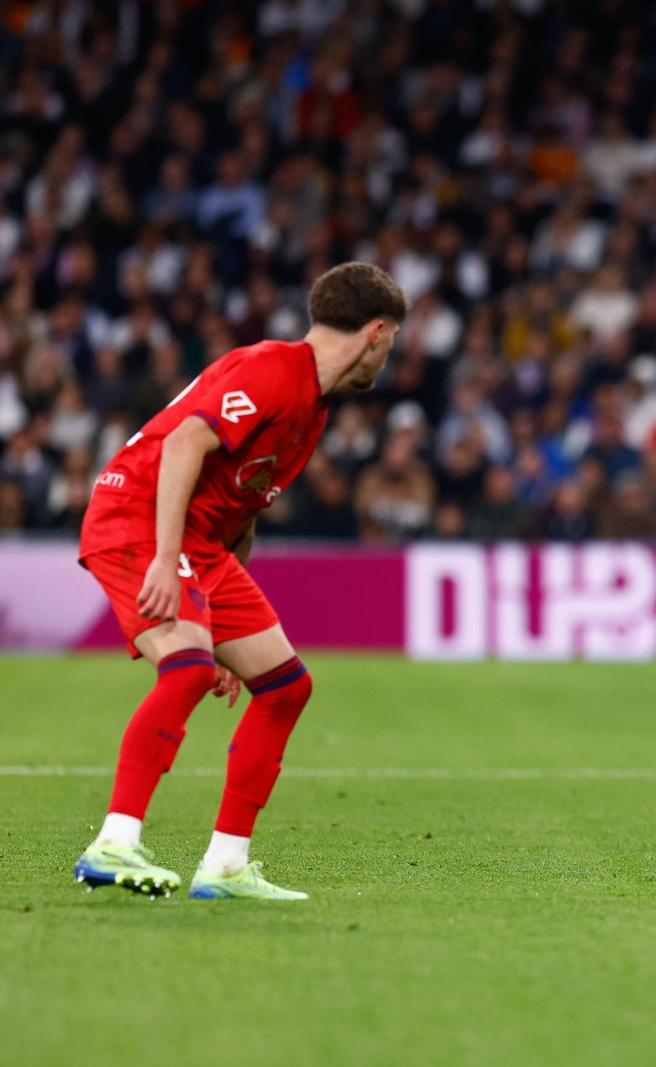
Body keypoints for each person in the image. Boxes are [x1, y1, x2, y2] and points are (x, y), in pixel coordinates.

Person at [72, 263, 408, 900]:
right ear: (376, 332)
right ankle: (111, 844)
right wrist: (166, 560)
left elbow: (244, 508)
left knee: (285, 687)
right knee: (189, 668)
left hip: (204, 542)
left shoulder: (314, 406)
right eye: (392, 342)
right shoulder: (272, 370)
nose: (388, 355)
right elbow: (182, 446)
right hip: (139, 515)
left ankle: (225, 867)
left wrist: (224, 629)